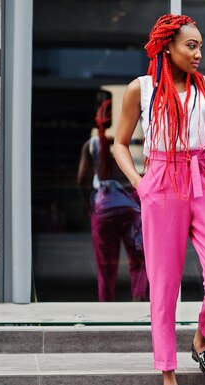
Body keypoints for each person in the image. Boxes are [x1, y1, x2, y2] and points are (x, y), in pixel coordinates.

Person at [113, 14, 205, 385]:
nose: (199, 53)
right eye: (191, 46)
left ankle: (202, 338)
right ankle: (168, 377)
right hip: (162, 180)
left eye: (200, 45)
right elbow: (119, 143)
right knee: (164, 287)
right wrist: (140, 182)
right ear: (167, 46)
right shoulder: (141, 89)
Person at [77, 97, 148, 302]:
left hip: (102, 204)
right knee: (139, 256)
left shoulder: (92, 145)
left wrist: (90, 206)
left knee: (105, 265)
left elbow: (81, 180)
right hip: (130, 203)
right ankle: (139, 300)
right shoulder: (132, 140)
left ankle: (105, 308)